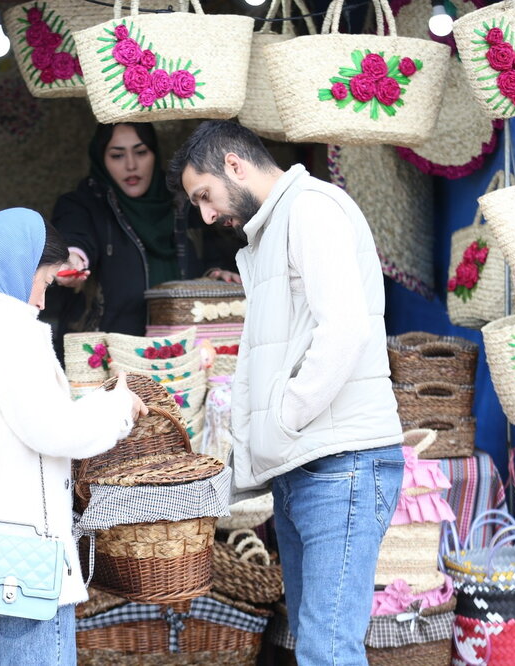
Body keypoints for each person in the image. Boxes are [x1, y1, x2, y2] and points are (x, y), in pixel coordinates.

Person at [167, 121, 405, 666]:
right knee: (315, 644)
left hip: (339, 462)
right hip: (309, 463)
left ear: (234, 164)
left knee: (327, 650)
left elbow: (344, 331)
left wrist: (283, 418)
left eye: (204, 196)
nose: (206, 215)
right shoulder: (274, 228)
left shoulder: (311, 210)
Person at [0, 208, 148, 666]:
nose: (40, 299)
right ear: (14, 263)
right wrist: (118, 407)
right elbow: (56, 429)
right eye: (46, 280)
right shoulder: (8, 325)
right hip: (22, 556)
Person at [51, 122, 240, 346]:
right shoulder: (85, 204)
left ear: (155, 153)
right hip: (108, 354)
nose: (131, 165)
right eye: (117, 156)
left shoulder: (186, 202)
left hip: (188, 354)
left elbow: (213, 251)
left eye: (141, 152)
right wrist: (72, 259)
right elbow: (75, 237)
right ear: (101, 159)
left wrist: (217, 275)